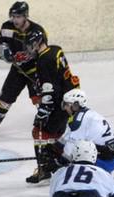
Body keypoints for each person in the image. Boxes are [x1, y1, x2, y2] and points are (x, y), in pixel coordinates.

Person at [23, 29, 80, 183]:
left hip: (61, 103)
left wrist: (44, 110)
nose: (28, 48)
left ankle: (46, 168)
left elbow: (50, 89)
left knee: (39, 130)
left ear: (38, 42)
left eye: (30, 45)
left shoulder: (43, 60)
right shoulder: (55, 49)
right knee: (57, 134)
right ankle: (55, 165)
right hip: (71, 98)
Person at [0, 1, 46, 132]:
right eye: (13, 16)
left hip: (35, 70)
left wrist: (31, 54)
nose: (15, 20)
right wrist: (3, 51)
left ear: (25, 16)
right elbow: (1, 43)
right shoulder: (6, 26)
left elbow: (43, 52)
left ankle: (45, 120)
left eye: (18, 17)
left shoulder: (37, 31)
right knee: (6, 96)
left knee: (38, 97)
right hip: (18, 69)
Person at [45, 88, 114, 173]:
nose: (65, 108)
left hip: (106, 162)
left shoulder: (78, 120)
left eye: (66, 104)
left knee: (77, 158)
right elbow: (69, 138)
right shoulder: (88, 113)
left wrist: (57, 163)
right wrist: (57, 145)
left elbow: (69, 151)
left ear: (76, 105)